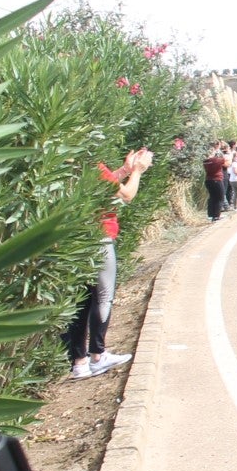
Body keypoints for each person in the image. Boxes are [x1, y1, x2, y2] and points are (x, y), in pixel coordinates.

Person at [67, 148, 154, 379]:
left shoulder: (72, 167)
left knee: (81, 300)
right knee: (103, 297)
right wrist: (138, 171)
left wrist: (124, 170)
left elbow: (106, 186)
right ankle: (98, 355)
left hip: (77, 240)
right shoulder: (93, 165)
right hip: (100, 238)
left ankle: (79, 363)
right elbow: (126, 195)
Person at [202, 142, 227, 221]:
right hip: (217, 180)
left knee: (212, 197)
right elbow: (225, 160)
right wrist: (219, 150)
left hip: (208, 180)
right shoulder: (215, 160)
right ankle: (216, 216)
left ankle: (210, 215)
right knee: (220, 198)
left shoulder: (205, 161)